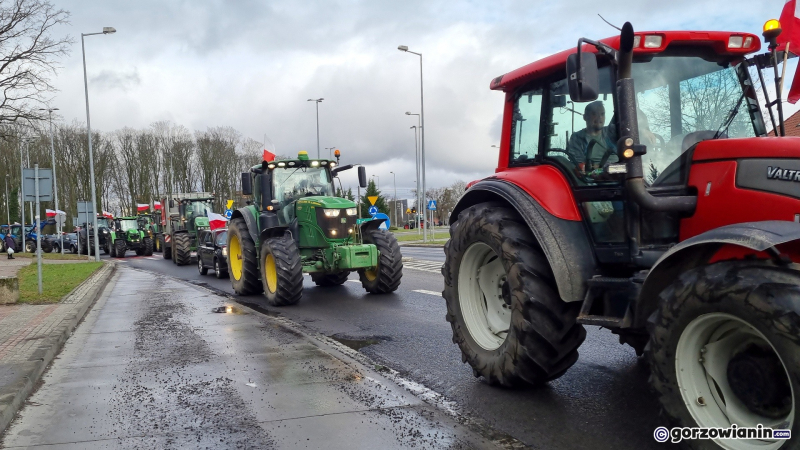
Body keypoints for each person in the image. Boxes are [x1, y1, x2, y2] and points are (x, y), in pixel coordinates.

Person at [567, 101, 619, 173]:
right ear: (585, 117)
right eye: (594, 114)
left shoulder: (612, 131)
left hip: (619, 175)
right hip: (590, 180)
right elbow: (580, 166)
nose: (599, 117)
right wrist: (600, 169)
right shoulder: (577, 138)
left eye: (602, 114)